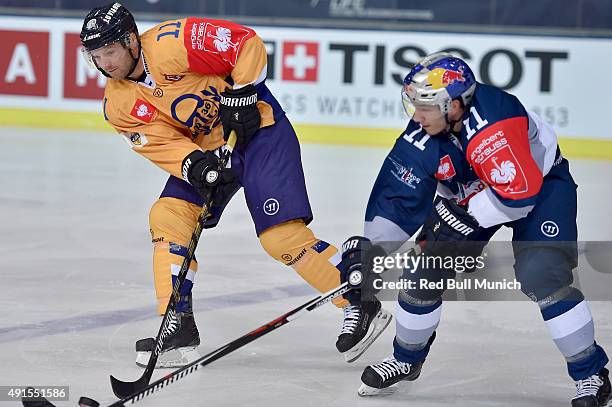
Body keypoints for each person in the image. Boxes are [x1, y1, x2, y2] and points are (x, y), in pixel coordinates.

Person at [79, 2, 391, 368]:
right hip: (212, 151)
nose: (105, 64)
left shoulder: (172, 41)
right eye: (97, 56)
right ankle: (176, 324)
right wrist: (192, 163)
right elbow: (160, 143)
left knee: (280, 237)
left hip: (261, 134)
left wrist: (242, 93)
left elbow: (245, 43)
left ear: (132, 40)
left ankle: (357, 300)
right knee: (168, 215)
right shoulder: (117, 103)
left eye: (110, 52)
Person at [346, 52, 610, 407]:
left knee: (542, 274)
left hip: (542, 188)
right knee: (423, 271)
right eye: (414, 104)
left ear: (454, 105)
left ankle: (591, 373)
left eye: (426, 106)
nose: (416, 116)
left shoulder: (495, 123)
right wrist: (371, 252)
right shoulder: (422, 136)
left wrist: (463, 220)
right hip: (473, 198)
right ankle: (406, 359)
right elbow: (397, 201)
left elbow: (518, 196)